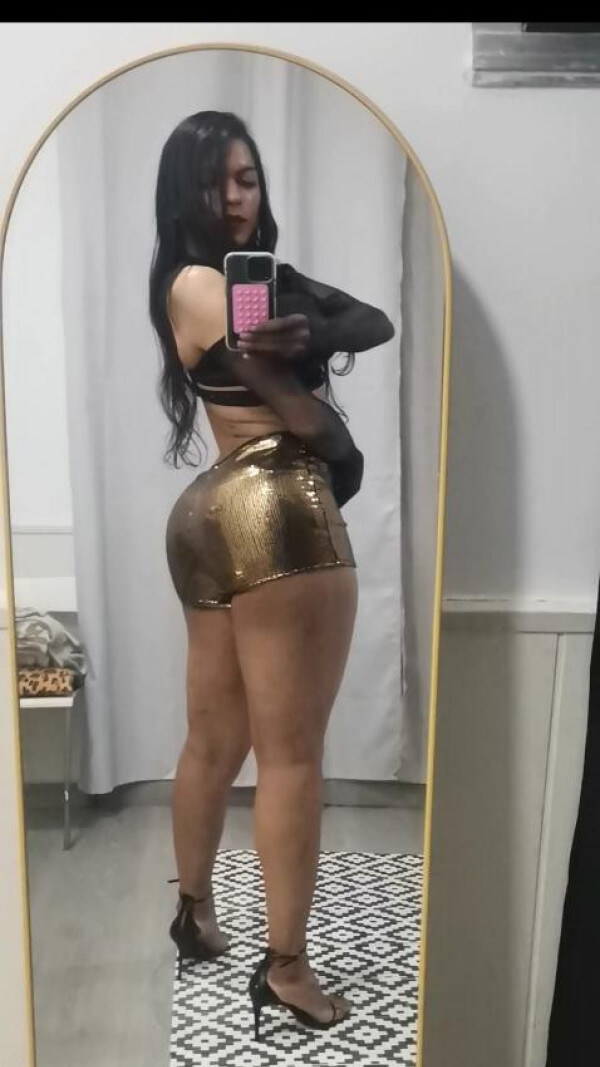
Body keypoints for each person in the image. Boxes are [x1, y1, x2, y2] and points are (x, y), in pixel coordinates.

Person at [149, 110, 394, 1037]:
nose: (235, 197)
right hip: (276, 505)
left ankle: (195, 913)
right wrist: (315, 370)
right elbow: (309, 422)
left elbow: (373, 319)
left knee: (212, 741)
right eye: (216, 181)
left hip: (208, 511)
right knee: (290, 755)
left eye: (247, 178)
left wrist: (306, 326)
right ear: (183, 193)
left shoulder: (205, 286)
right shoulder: (206, 282)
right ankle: (286, 969)